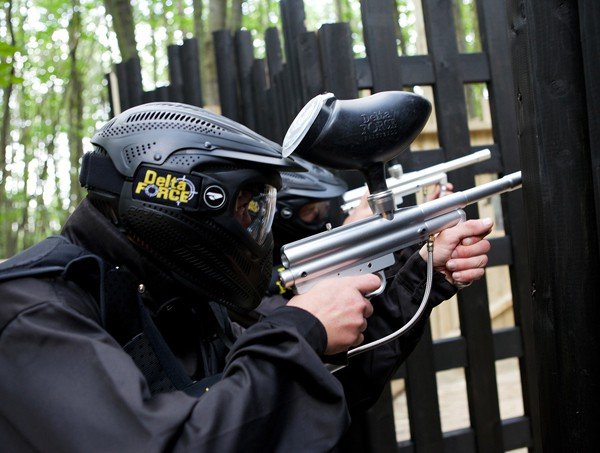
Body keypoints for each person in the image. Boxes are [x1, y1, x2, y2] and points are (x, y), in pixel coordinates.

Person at [0, 102, 492, 451]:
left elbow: (292, 396)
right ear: (183, 200)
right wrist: (301, 328)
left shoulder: (176, 296)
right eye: (247, 211)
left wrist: (421, 275)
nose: (258, 232)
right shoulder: (31, 314)